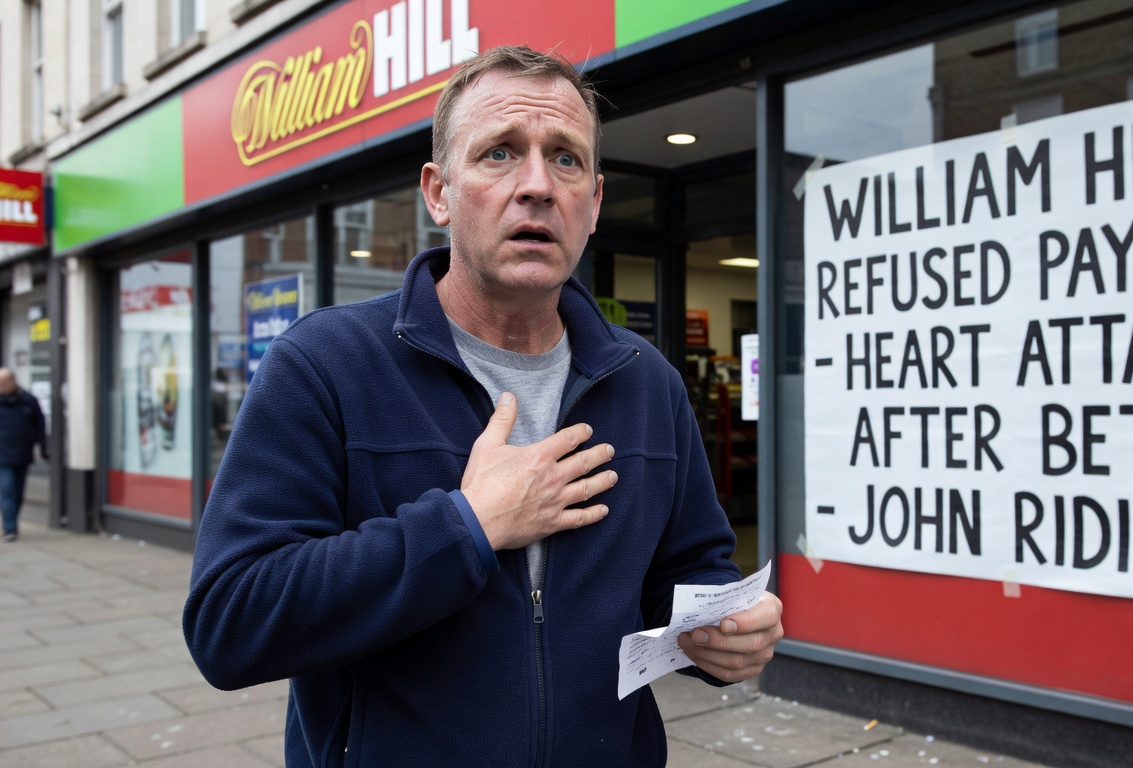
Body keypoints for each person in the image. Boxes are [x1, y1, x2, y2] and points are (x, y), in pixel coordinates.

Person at [183, 46, 783, 767]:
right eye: (499, 153)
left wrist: (721, 628)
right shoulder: (326, 364)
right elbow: (230, 623)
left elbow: (688, 568)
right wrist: (467, 527)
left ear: (594, 202)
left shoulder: (646, 381)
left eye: (565, 159)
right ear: (438, 193)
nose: (538, 186)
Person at [0, 368, 47, 543]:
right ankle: (10, 528)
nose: (1, 386)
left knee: (18, 492)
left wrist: (43, 446)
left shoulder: (28, 401)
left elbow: (39, 425)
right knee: (7, 489)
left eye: (3, 383)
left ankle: (12, 522)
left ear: (13, 381)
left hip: (22, 454)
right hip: (2, 455)